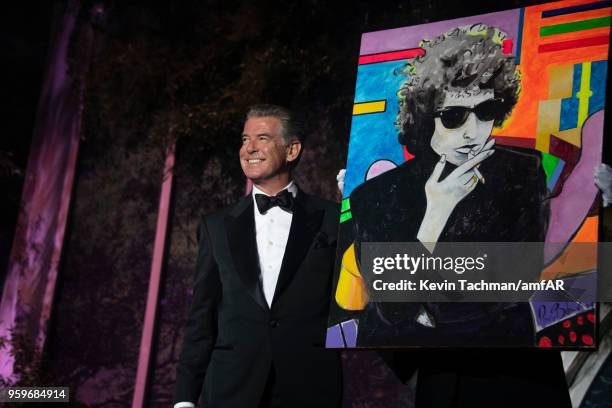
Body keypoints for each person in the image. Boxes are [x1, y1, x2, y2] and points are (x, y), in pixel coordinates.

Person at [335, 25, 572, 406]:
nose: (472, 131)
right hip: (437, 376)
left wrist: (427, 307)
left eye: (487, 111)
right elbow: (393, 307)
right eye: (454, 115)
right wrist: (436, 214)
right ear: (426, 115)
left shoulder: (522, 173)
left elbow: (517, 279)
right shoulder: (375, 197)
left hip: (515, 369)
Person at [173, 104, 342, 408]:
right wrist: (184, 398)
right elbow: (202, 317)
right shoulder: (215, 226)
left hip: (309, 389)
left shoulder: (334, 218)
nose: (248, 148)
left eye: (262, 138)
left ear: (292, 150)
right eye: (244, 139)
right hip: (229, 390)